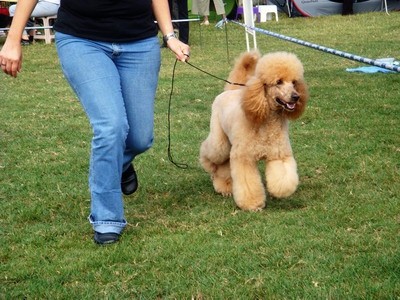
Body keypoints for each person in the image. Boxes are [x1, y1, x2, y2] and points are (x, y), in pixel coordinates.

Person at [0, 0, 190, 245]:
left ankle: (117, 165)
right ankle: (107, 219)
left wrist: (170, 36)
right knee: (111, 126)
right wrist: (13, 38)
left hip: (140, 43)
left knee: (141, 138)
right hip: (82, 41)